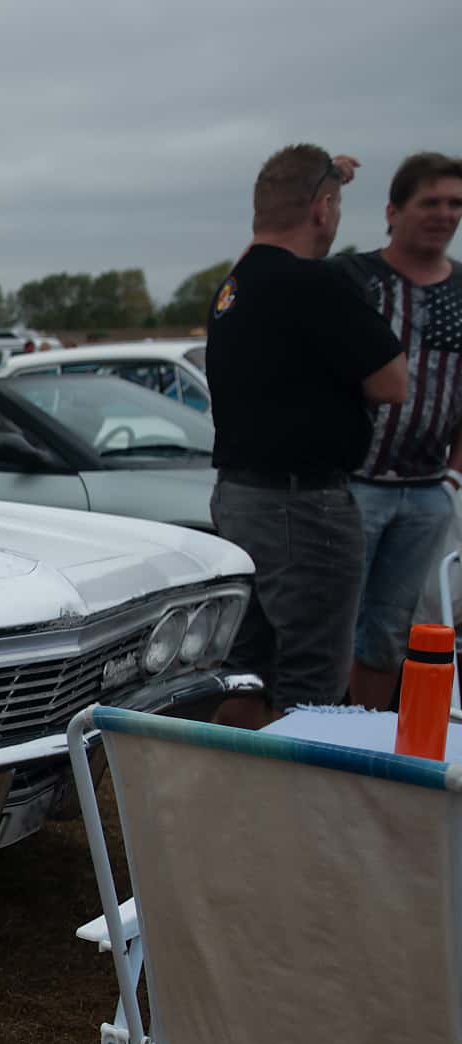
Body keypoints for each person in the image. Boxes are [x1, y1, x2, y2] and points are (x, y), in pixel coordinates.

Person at [206, 143, 409, 727]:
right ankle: (295, 784)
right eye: (335, 205)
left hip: (240, 498)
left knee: (246, 666)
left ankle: (225, 780)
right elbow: (393, 383)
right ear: (322, 209)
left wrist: (322, 178)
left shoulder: (235, 286)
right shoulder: (318, 285)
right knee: (311, 680)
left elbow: (263, 247)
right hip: (304, 507)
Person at [336, 152, 462, 709]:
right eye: (430, 202)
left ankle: (367, 736)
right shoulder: (354, 278)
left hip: (429, 489)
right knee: (333, 625)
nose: (444, 214)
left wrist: (453, 478)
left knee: (390, 632)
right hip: (353, 483)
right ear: (393, 211)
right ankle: (321, 735)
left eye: (455, 204)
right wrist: (324, 179)